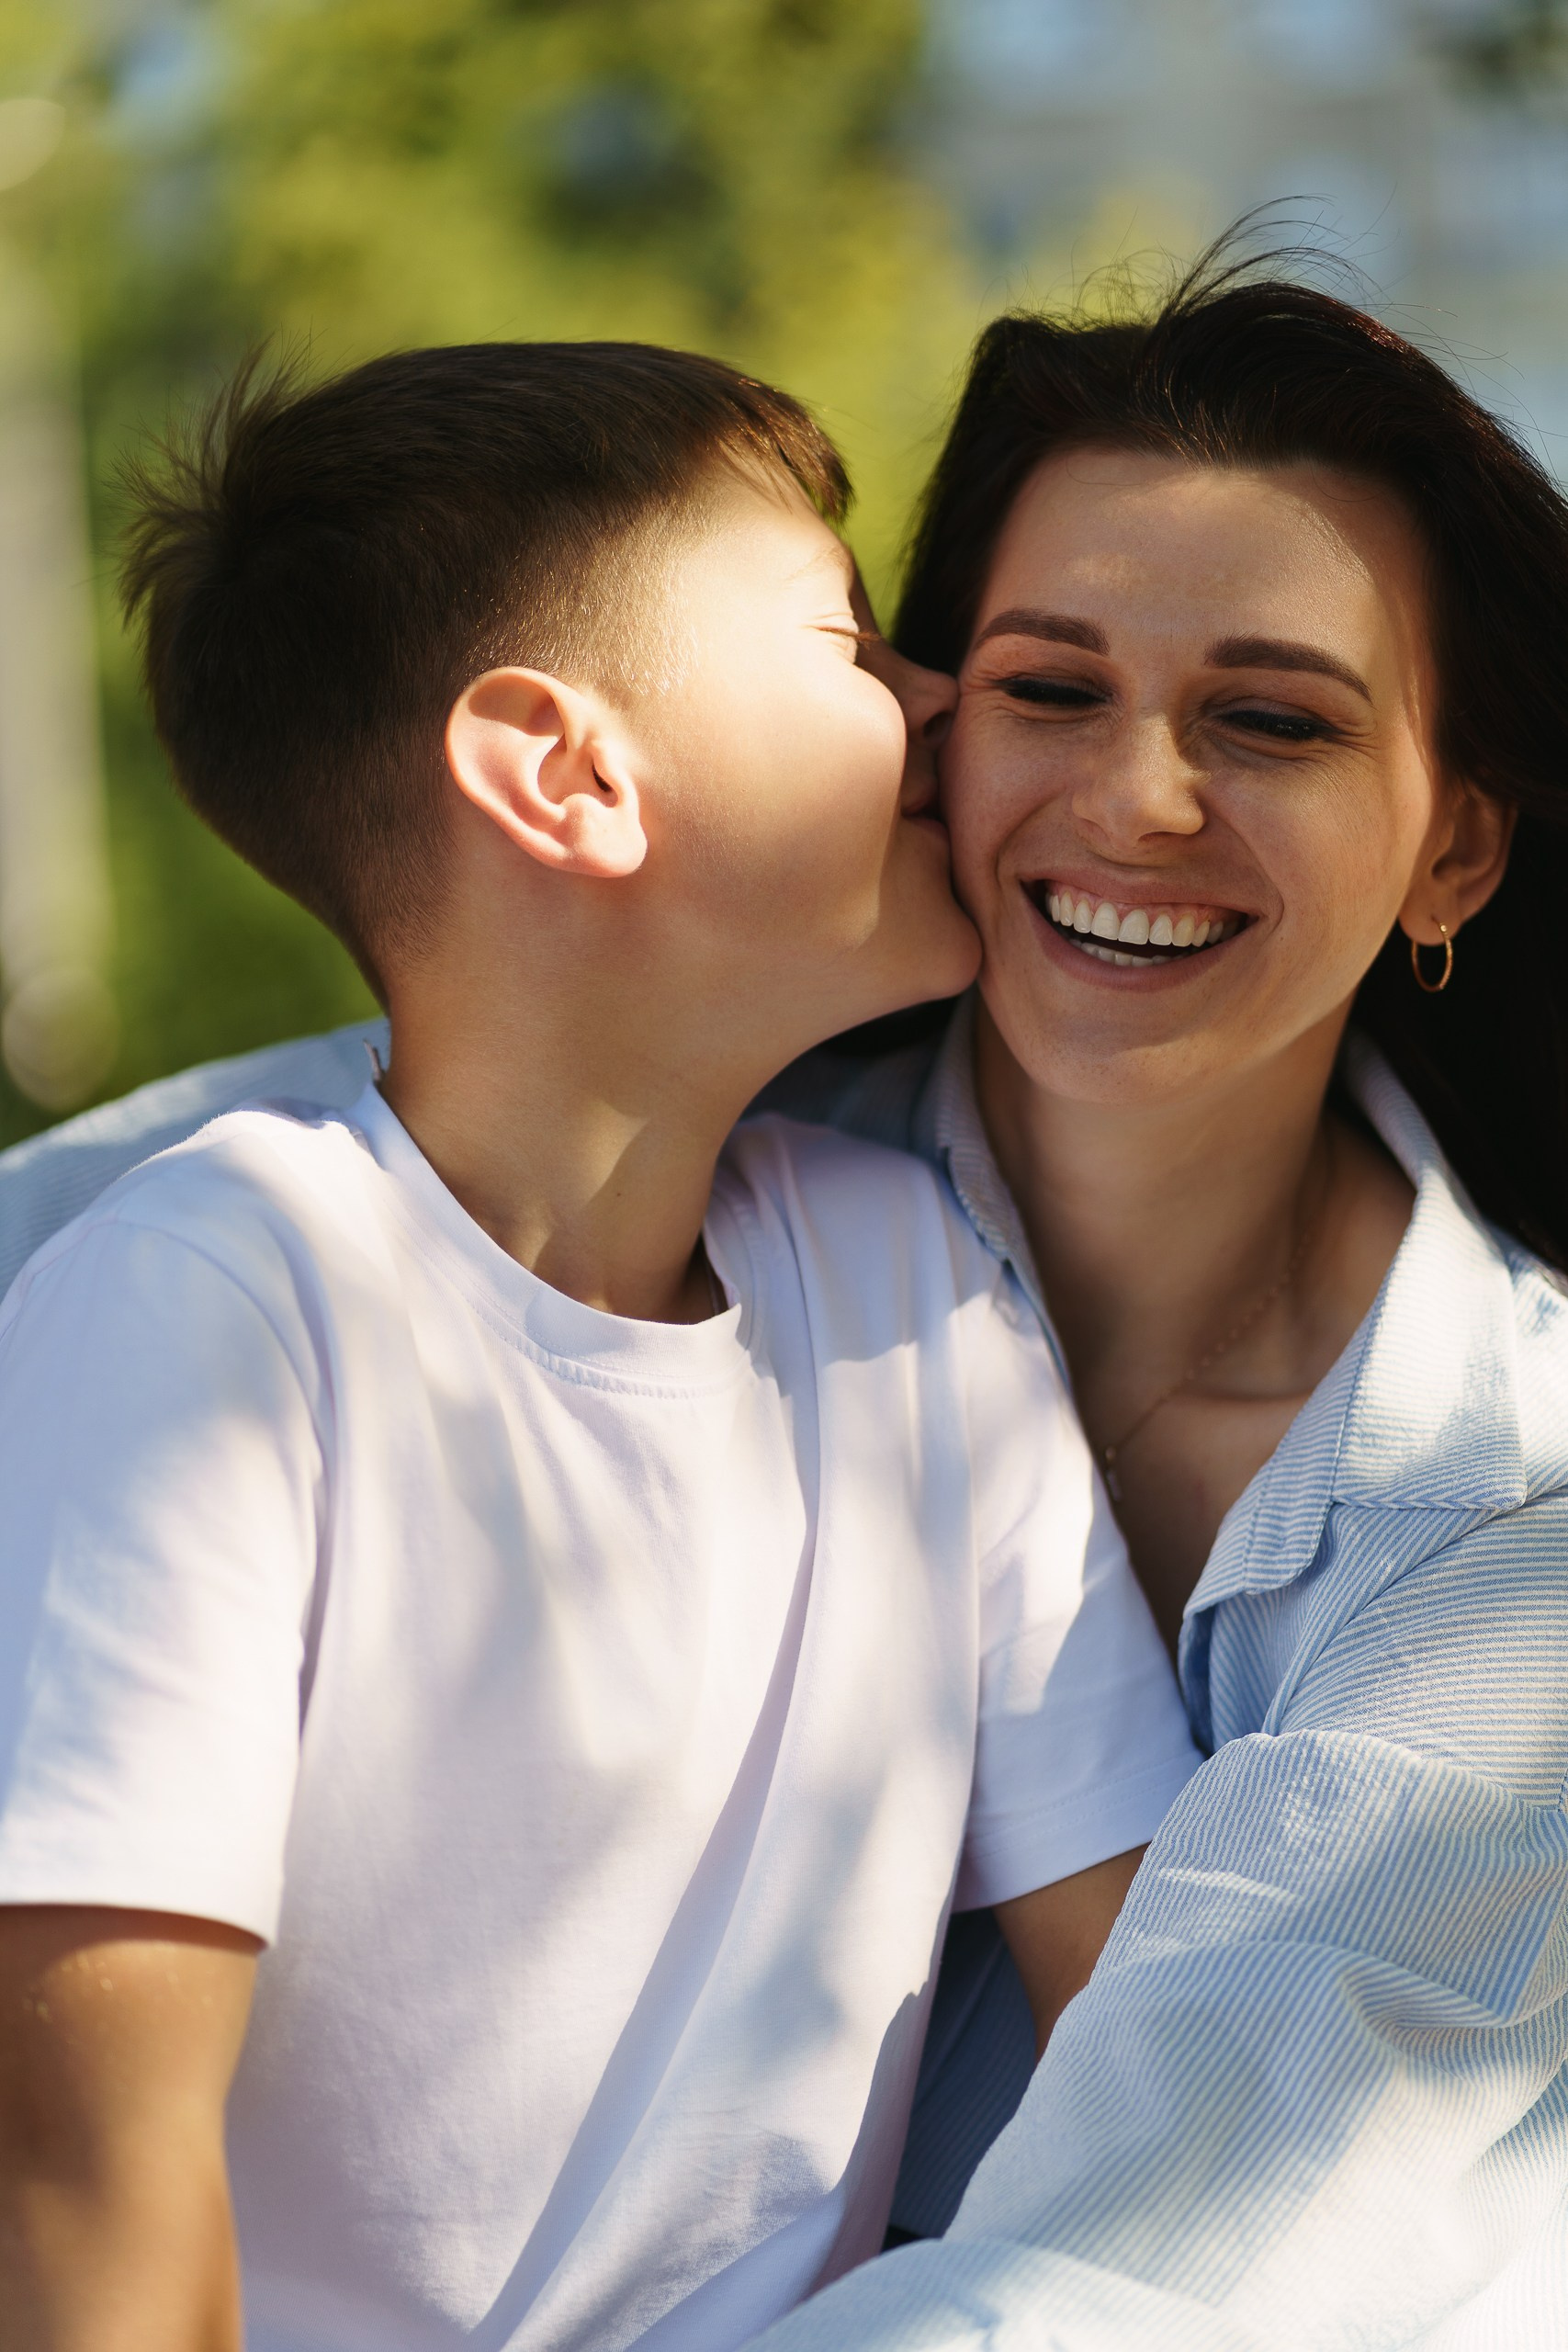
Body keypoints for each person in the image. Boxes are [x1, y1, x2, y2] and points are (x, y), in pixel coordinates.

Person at [0, 343, 1201, 2352]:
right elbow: (86, 2204)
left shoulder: (915, 1285)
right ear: (564, 774)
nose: (940, 697)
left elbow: (1160, 2033)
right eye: (845, 641)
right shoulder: (214, 1308)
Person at [743, 256, 1568, 2345]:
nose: (1134, 800)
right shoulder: (631, 1195)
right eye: (1047, 688)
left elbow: (1135, 2271)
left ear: (1454, 854)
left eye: (1270, 719)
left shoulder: (1525, 1512)